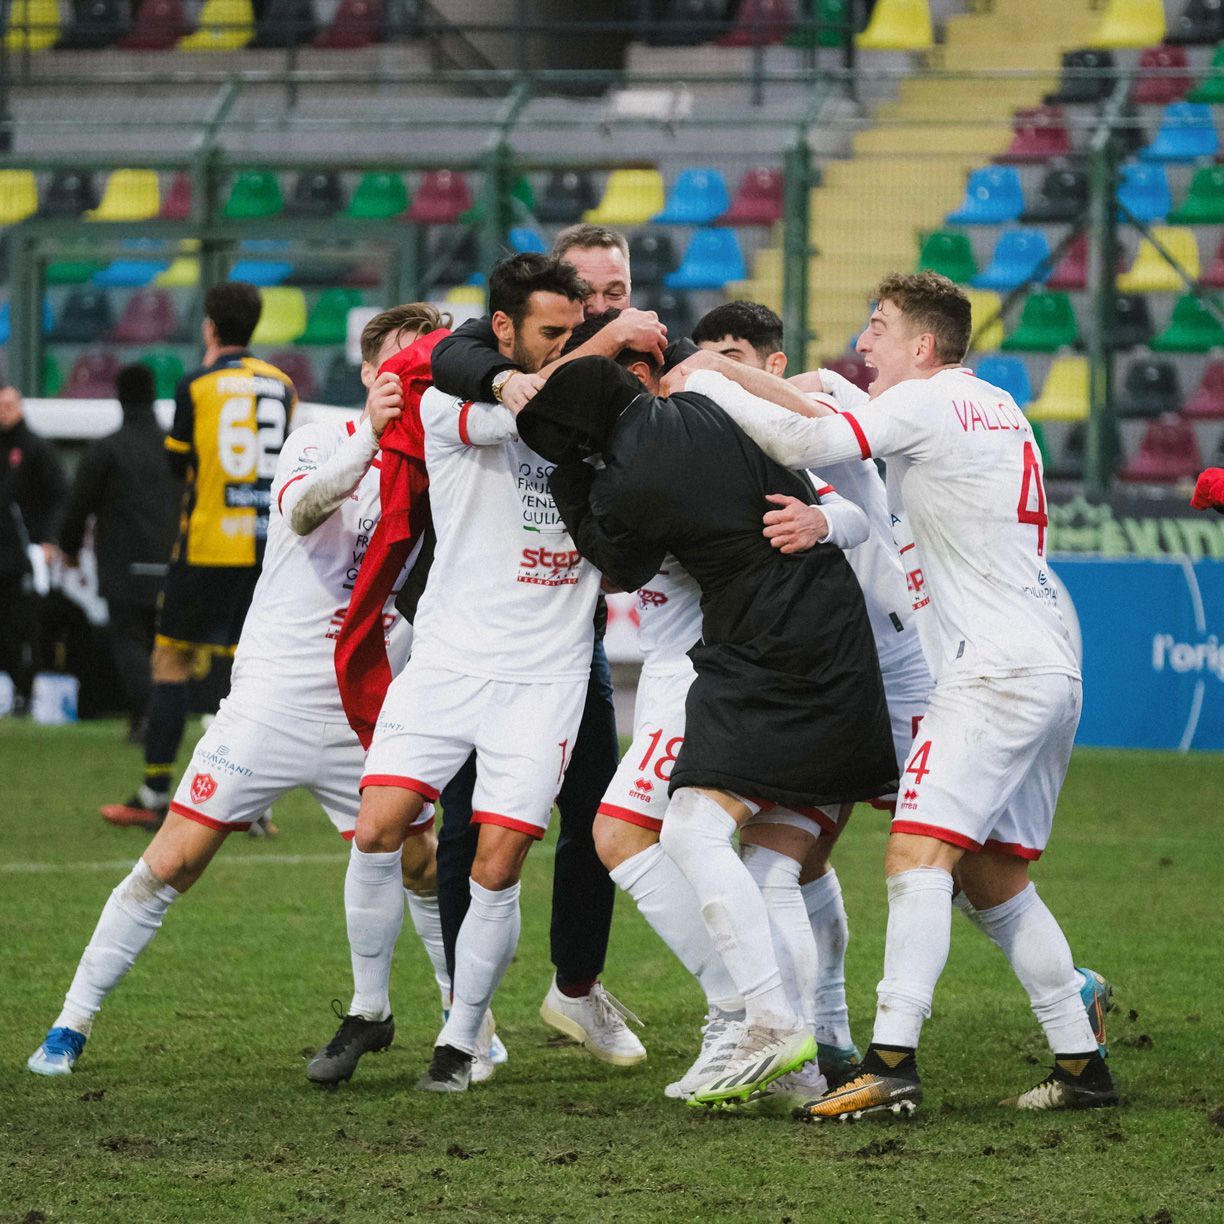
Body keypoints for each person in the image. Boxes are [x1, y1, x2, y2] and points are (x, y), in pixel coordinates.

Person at [673, 271, 1118, 1116]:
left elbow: (805, 444)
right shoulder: (991, 404)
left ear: (922, 344)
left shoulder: (928, 402)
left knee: (915, 860)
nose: (863, 343)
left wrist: (704, 385)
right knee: (990, 876)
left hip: (988, 672)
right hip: (1046, 660)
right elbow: (821, 408)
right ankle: (1082, 1064)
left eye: (877, 327)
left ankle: (888, 1063)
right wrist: (734, 373)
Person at [26, 305, 449, 1079]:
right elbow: (298, 507)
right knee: (174, 861)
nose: (416, 373)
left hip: (370, 706)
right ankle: (70, 1022)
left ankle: (464, 1031)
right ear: (368, 372)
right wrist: (368, 443)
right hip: (273, 702)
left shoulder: (443, 456)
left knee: (423, 862)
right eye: (403, 360)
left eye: (430, 359)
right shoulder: (320, 435)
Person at [517, 355, 899, 1107]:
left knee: (691, 832)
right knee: (770, 871)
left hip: (771, 647)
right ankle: (803, 1068)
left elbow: (620, 565)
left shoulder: (630, 475)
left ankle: (766, 1021)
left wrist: (569, 483)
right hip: (831, 636)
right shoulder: (706, 407)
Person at [316, 254, 603, 1095]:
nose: (566, 345)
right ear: (504, 332)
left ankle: (461, 1037)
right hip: (447, 662)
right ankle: (370, 1009)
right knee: (377, 830)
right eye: (552, 332)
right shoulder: (450, 408)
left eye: (576, 332)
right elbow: (514, 407)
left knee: (498, 864)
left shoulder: (593, 399)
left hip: (545, 678)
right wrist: (585, 359)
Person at [425, 226, 667, 1067]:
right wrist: (594, 344)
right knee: (467, 824)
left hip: (575, 636)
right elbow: (446, 362)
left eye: (618, 289)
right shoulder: (505, 345)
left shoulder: (646, 350)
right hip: (477, 636)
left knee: (596, 819)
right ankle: (467, 1008)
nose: (607, 304)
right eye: (590, 291)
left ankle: (576, 991)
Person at [102, 282, 297, 830]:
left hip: (208, 544)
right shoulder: (282, 386)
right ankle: (253, 806)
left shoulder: (196, 384)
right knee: (250, 676)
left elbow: (180, 468)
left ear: (210, 326)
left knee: (171, 664)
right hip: (264, 550)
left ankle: (155, 792)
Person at [57, 364, 179, 742]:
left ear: (120, 397)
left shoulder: (106, 449)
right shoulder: (174, 446)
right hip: (172, 558)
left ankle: (148, 713)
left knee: (128, 640)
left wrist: (70, 549)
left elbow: (78, 506)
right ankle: (161, 715)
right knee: (164, 643)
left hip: (123, 562)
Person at [0, 382, 68, 714]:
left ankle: (26, 690)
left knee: (23, 625)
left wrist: (49, 540)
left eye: (9, 405)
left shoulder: (36, 449)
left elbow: (59, 496)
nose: (4, 411)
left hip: (24, 556)